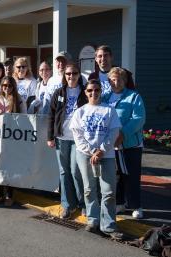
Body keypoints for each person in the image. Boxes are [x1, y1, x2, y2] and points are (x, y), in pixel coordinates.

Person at [70, 79, 123, 239]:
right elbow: (78, 136)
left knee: (108, 191)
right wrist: (93, 151)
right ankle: (93, 220)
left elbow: (114, 132)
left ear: (101, 91)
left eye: (97, 90)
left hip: (106, 156)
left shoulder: (109, 110)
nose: (93, 93)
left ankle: (108, 225)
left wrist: (101, 151)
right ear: (85, 93)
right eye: (90, 90)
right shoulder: (80, 112)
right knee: (89, 189)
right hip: (85, 155)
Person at [102, 67, 146, 219]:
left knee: (132, 176)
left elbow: (138, 119)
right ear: (109, 81)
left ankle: (136, 206)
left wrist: (123, 134)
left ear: (125, 81)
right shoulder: (105, 97)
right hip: (112, 145)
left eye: (119, 79)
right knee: (118, 176)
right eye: (113, 79)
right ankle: (120, 203)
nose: (116, 82)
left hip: (130, 144)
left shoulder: (134, 96)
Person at [47, 63, 87, 218]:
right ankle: (67, 205)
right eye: (68, 74)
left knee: (76, 171)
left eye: (74, 73)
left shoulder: (85, 92)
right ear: (65, 76)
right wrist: (50, 136)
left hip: (79, 139)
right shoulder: (59, 92)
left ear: (79, 75)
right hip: (61, 138)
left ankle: (82, 203)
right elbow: (51, 116)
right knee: (64, 172)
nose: (71, 76)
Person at [0, 76, 26, 206]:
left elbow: (25, 117)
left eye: (9, 86)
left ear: (13, 87)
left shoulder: (19, 99)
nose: (7, 88)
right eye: (4, 85)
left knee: (10, 167)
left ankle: (10, 196)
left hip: (13, 138)